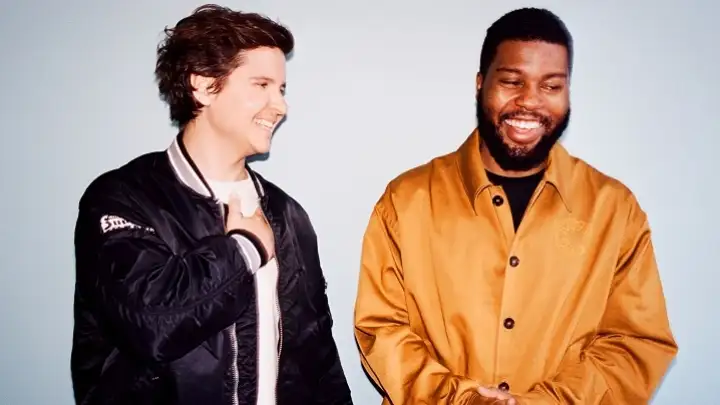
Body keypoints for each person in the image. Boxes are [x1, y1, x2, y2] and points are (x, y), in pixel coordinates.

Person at [353, 7, 677, 405]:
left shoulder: (615, 210)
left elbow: (635, 342)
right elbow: (381, 330)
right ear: (480, 84)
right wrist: (462, 400)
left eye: (551, 86)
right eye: (511, 81)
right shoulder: (406, 201)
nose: (530, 101)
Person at [71, 4, 352, 405]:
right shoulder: (122, 198)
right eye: (261, 84)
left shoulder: (288, 215)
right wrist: (244, 249)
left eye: (282, 89)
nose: (280, 106)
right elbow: (153, 324)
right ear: (202, 86)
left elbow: (319, 360)